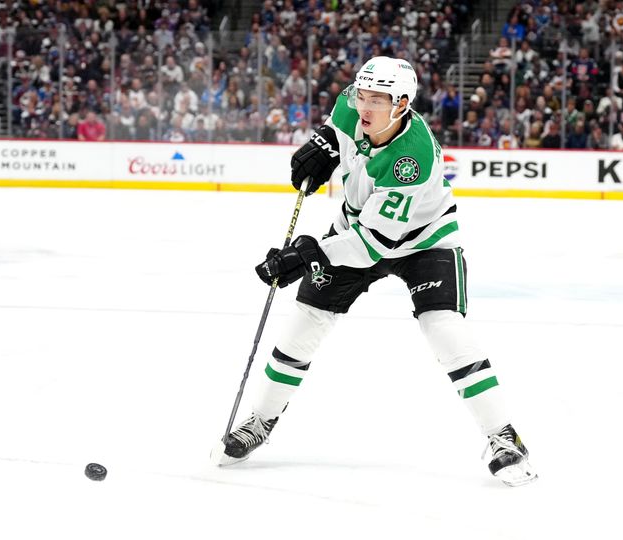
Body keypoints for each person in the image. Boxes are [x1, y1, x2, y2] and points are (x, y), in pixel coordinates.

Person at [211, 56, 538, 487]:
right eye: (360, 94)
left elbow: (373, 246)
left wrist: (305, 254)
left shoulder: (412, 157)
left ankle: (505, 436)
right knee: (303, 326)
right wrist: (323, 145)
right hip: (355, 227)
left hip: (424, 241)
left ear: (401, 104)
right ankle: (260, 421)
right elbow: (336, 133)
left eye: (377, 99)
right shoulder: (352, 107)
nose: (363, 106)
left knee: (445, 329)